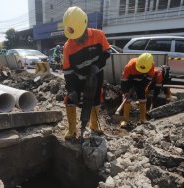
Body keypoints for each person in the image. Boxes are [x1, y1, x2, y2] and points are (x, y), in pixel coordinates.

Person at [62, 6, 110, 140]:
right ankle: (72, 129)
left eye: (80, 36)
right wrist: (71, 89)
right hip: (78, 77)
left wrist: (96, 67)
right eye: (74, 37)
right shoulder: (68, 47)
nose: (77, 40)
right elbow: (68, 71)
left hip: (96, 74)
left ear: (85, 25)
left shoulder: (98, 35)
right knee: (70, 100)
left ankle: (94, 125)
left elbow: (106, 54)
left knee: (96, 99)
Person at [119, 53, 156, 128]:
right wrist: (125, 91)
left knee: (142, 99)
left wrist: (141, 87)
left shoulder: (151, 66)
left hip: (142, 81)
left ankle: (143, 119)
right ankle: (125, 120)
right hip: (129, 80)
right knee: (127, 99)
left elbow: (149, 78)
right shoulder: (129, 66)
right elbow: (123, 80)